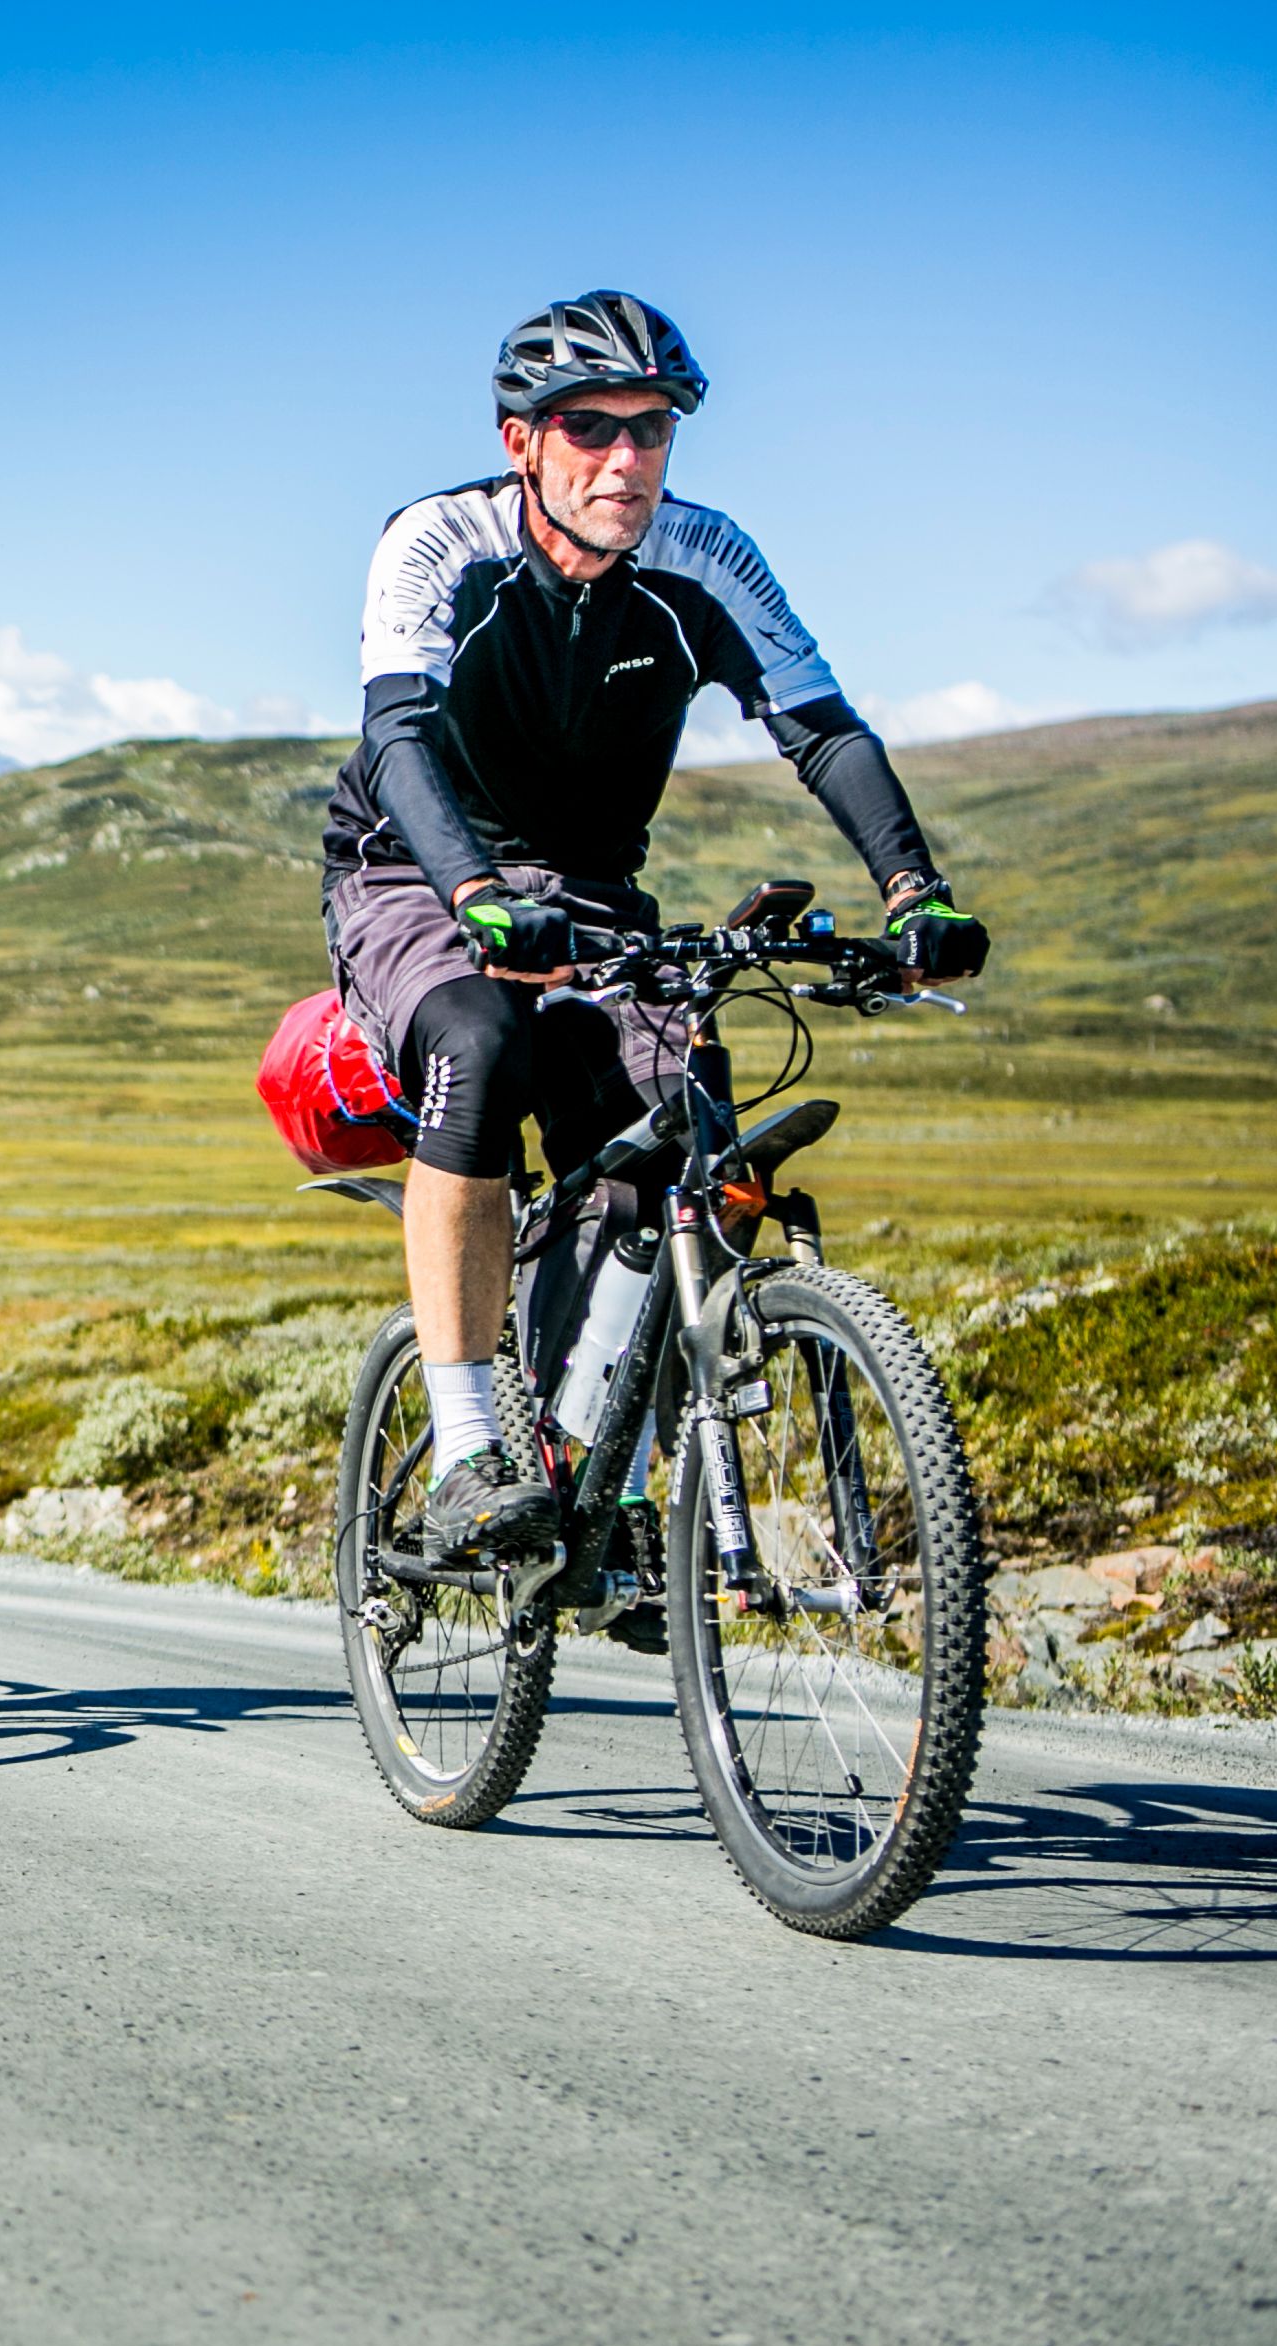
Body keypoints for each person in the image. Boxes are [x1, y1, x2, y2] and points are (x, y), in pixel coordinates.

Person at [323, 290, 988, 1567]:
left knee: (679, 1134)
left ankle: (599, 1478)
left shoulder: (706, 559)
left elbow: (823, 731)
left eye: (652, 429)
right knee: (479, 1041)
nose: (625, 459)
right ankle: (467, 1450)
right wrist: (471, 893)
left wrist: (914, 890)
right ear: (523, 440)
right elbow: (397, 735)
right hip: (411, 866)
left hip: (589, 892)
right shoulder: (440, 541)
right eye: (590, 428)